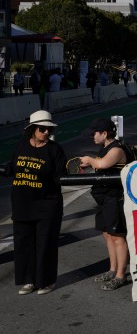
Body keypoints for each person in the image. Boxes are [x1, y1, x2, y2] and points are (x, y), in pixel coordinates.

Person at [4, 110, 66, 295]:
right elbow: (13, 166)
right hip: (22, 204)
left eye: (49, 129)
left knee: (45, 244)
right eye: (42, 129)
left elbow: (61, 175)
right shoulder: (22, 145)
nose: (46, 132)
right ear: (32, 129)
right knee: (23, 244)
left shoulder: (55, 150)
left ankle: (46, 281)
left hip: (47, 205)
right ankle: (28, 280)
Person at [79, 118, 130, 291]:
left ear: (105, 133)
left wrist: (90, 159)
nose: (92, 136)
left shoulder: (117, 149)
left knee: (117, 236)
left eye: (94, 133)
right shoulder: (104, 148)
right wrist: (89, 164)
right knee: (107, 235)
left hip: (115, 198)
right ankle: (112, 270)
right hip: (104, 198)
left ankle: (120, 275)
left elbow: (102, 164)